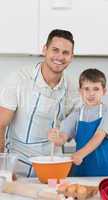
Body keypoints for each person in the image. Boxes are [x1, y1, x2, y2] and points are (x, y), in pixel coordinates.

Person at [0, 29, 77, 177]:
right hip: (17, 168)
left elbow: (75, 126)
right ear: (45, 50)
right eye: (55, 50)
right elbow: (0, 124)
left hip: (53, 168)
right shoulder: (19, 79)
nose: (60, 57)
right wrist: (2, 168)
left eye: (65, 53)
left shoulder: (72, 87)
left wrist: (64, 136)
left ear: (71, 57)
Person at [48, 68, 108, 176]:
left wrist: (80, 154)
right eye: (86, 89)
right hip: (85, 172)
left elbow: (99, 136)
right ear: (80, 91)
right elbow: (62, 138)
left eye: (96, 89)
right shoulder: (76, 115)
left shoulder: (107, 112)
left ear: (104, 91)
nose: (91, 94)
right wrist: (56, 138)